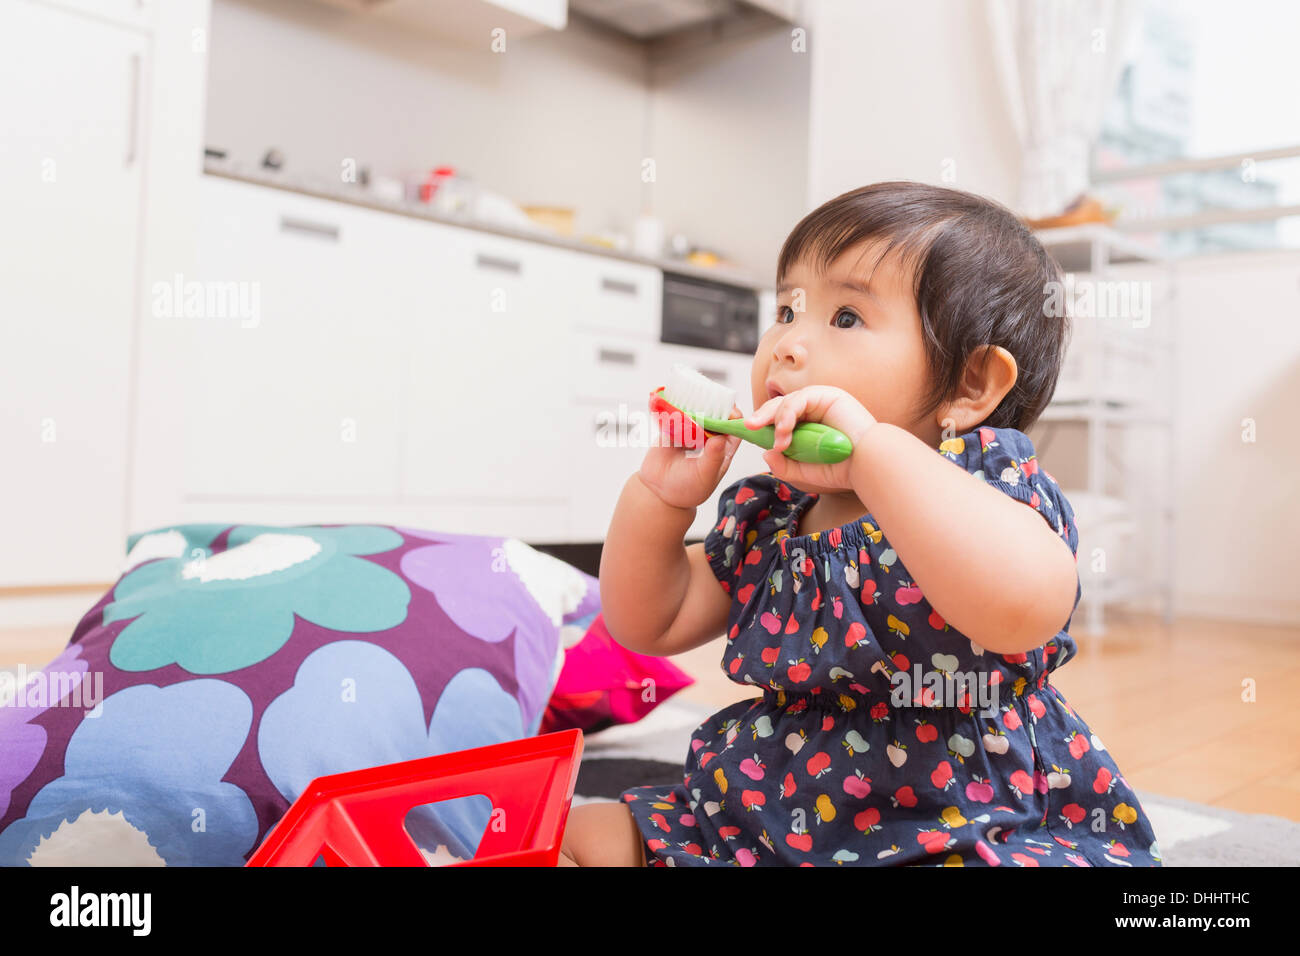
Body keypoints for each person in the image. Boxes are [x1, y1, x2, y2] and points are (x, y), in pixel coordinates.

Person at [559, 181, 1161, 867]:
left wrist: (875, 456)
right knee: (585, 833)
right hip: (772, 808)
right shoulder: (775, 517)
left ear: (969, 386)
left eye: (845, 318)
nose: (786, 345)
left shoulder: (985, 489)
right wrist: (660, 501)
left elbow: (1027, 609)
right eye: (786, 309)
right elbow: (651, 623)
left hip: (962, 816)